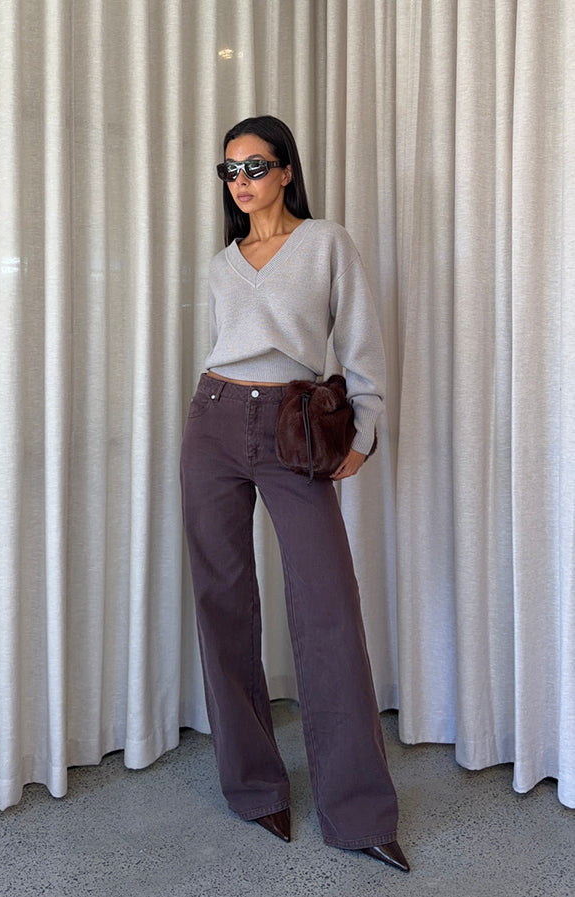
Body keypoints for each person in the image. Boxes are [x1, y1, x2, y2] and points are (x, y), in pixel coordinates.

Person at [180, 115, 409, 873]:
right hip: (213, 420)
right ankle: (254, 787)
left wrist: (362, 433)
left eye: (255, 166)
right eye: (230, 170)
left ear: (286, 171)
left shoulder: (326, 243)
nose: (241, 181)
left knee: (327, 607)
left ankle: (359, 810)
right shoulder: (222, 264)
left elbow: (362, 342)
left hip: (292, 427)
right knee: (222, 600)